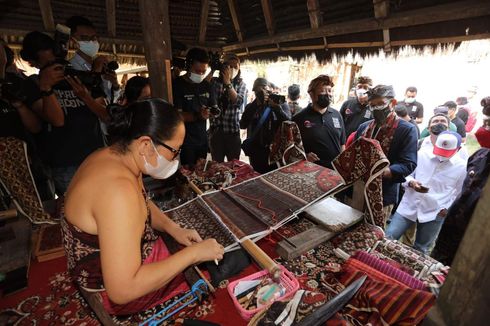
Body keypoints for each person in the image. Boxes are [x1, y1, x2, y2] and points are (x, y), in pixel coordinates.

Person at [62, 98, 224, 315]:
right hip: (108, 290)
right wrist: (193, 254)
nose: (176, 158)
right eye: (175, 150)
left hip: (107, 265)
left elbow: (142, 201)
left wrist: (172, 228)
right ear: (146, 145)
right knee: (218, 266)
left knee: (198, 252)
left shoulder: (111, 157)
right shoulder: (117, 192)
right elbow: (122, 290)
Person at [21, 31, 107, 194]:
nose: (56, 67)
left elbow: (105, 115)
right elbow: (57, 120)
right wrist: (46, 88)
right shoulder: (33, 85)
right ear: (33, 64)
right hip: (66, 164)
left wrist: (87, 92)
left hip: (97, 156)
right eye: (48, 64)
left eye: (57, 60)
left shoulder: (77, 77)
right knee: (82, 211)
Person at [385, 131, 467, 254]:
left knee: (421, 249)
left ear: (459, 149)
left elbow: (459, 192)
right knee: (388, 238)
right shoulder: (422, 155)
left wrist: (446, 208)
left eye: (447, 153)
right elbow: (406, 175)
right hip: (410, 204)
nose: (442, 156)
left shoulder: (461, 167)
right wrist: (411, 182)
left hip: (435, 211)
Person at [355, 85, 418, 222]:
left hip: (383, 194)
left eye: (381, 104)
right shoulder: (363, 128)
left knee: (373, 232)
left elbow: (409, 164)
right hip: (358, 190)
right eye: (372, 105)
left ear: (393, 103)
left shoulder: (406, 130)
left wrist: (384, 171)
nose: (377, 108)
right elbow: (354, 155)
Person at [173, 48, 216, 167]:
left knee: (201, 172)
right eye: (198, 71)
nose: (201, 74)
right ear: (188, 66)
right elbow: (177, 116)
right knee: (188, 175)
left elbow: (213, 108)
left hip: (202, 140)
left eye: (204, 71)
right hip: (185, 142)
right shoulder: (177, 85)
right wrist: (198, 115)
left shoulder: (207, 85)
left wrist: (212, 113)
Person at [293, 74, 346, 169]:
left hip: (336, 170)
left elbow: (342, 144)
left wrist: (344, 165)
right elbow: (292, 148)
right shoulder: (299, 118)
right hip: (312, 170)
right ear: (311, 94)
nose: (327, 94)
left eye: (329, 91)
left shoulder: (337, 115)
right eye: (322, 91)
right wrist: (304, 156)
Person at [240, 78, 290, 173]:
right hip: (256, 151)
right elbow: (242, 125)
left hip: (275, 151)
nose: (263, 93)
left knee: (274, 176)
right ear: (254, 92)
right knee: (257, 176)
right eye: (259, 91)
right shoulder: (251, 107)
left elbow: (288, 124)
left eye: (265, 89)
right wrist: (256, 104)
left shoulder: (280, 105)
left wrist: (276, 108)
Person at [66, 16, 121, 104]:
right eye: (85, 38)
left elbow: (111, 101)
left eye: (94, 37)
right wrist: (95, 72)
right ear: (73, 41)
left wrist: (115, 85)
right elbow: (82, 100)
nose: (92, 41)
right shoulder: (70, 68)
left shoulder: (103, 67)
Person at [209, 53, 247, 163]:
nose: (232, 69)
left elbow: (238, 102)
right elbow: (209, 99)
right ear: (223, 67)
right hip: (217, 132)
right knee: (217, 165)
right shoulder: (215, 82)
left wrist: (228, 84)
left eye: (236, 67)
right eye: (229, 66)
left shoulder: (241, 84)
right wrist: (213, 69)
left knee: (234, 165)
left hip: (233, 132)